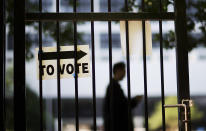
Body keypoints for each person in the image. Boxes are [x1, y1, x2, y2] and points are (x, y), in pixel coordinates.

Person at [103, 62, 142, 131]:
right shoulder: (114, 87)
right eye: (124, 71)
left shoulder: (113, 86)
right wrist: (135, 100)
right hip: (118, 126)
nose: (125, 74)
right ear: (118, 71)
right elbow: (121, 105)